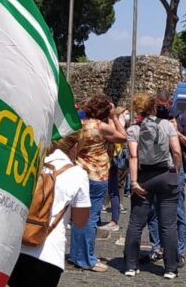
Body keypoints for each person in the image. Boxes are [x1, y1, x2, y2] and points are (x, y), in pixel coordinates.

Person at [8, 130, 89, 287]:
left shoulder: (33, 164)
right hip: (49, 254)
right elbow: (80, 221)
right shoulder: (77, 174)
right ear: (75, 146)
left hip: (17, 248)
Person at [122, 93, 182, 279]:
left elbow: (133, 157)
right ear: (154, 108)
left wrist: (133, 182)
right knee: (169, 224)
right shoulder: (167, 125)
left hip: (144, 177)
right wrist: (176, 171)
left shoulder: (133, 129)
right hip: (166, 175)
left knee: (135, 223)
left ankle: (131, 266)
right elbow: (177, 151)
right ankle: (171, 268)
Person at [68, 94, 126, 272]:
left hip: (79, 173)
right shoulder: (101, 127)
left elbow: (72, 150)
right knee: (91, 219)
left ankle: (76, 255)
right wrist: (114, 117)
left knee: (78, 218)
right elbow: (123, 137)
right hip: (97, 176)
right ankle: (88, 259)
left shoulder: (80, 125)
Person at [146, 89, 186, 265]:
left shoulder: (182, 118)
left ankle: (179, 251)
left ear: (170, 103)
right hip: (154, 167)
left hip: (175, 168)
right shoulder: (151, 118)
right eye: (157, 106)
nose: (161, 109)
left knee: (178, 211)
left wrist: (177, 133)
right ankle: (157, 247)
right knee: (153, 210)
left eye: (163, 105)